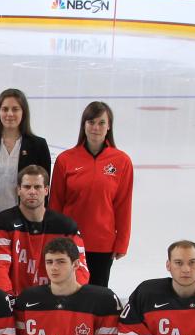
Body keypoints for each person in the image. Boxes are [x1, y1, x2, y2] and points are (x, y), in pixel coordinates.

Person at [50, 101, 134, 288]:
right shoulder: (66, 160)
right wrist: (52, 238)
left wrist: (122, 242)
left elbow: (123, 205)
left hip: (102, 243)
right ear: (84, 125)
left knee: (97, 295)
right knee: (68, 291)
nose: (96, 127)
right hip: (70, 241)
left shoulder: (121, 161)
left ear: (109, 126)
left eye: (101, 123)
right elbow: (56, 202)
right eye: (91, 122)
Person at [0, 165, 89, 297]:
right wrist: (8, 299)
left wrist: (67, 298)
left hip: (54, 302)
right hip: (14, 303)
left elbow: (79, 269)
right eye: (26, 187)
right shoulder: (1, 223)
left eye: (37, 187)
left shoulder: (66, 227)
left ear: (46, 190)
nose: (32, 192)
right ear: (18, 190)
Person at [0, 89, 51, 222]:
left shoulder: (38, 146)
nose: (9, 114)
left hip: (25, 222)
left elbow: (43, 189)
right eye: (5, 109)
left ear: (23, 112)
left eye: (15, 109)